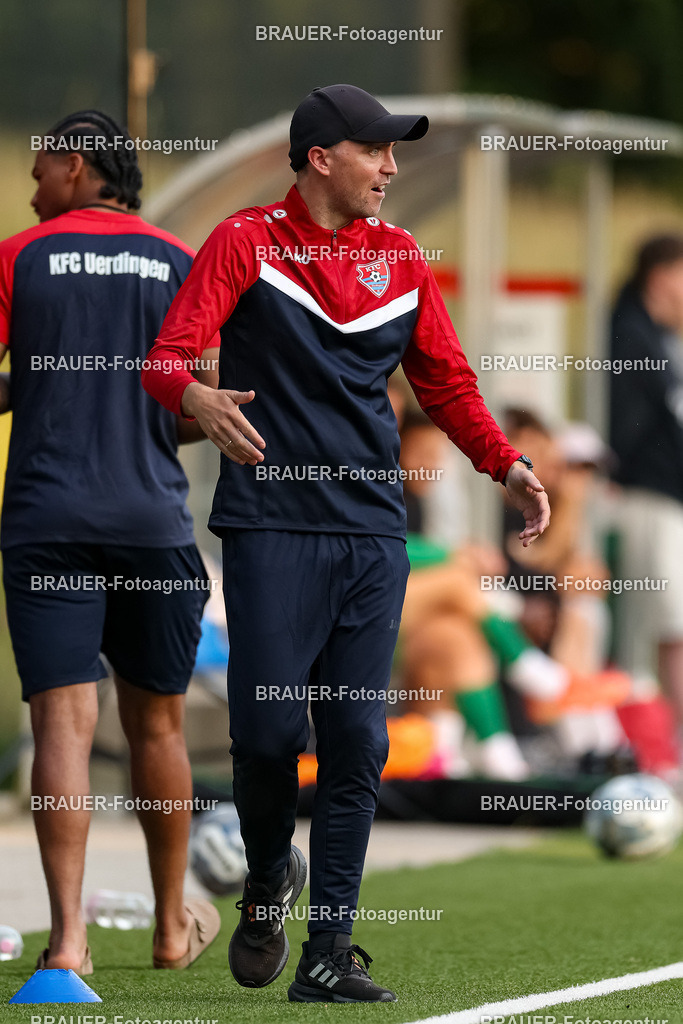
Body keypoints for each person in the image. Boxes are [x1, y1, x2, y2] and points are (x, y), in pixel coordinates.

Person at [142, 84, 550, 1003]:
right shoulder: (245, 241)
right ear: (321, 157)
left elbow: (444, 380)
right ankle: (262, 880)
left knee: (357, 740)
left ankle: (328, 951)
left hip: (372, 531)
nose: (393, 169)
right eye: (377, 151)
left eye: (396, 153)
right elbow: (167, 357)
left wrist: (506, 465)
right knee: (265, 736)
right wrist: (194, 397)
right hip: (271, 525)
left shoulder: (401, 256)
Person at [0, 111, 221, 973]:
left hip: (49, 521)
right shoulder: (177, 261)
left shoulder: (20, 256)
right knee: (157, 727)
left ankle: (69, 942)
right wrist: (137, 421)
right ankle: (171, 930)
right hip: (151, 523)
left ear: (77, 166)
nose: (30, 185)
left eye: (40, 166)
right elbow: (205, 403)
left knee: (63, 717)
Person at [609, 235, 683, 744]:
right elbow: (629, 427)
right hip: (649, 498)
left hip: (663, 499)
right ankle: (659, 741)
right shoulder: (630, 336)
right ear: (660, 277)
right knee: (665, 624)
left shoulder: (658, 334)